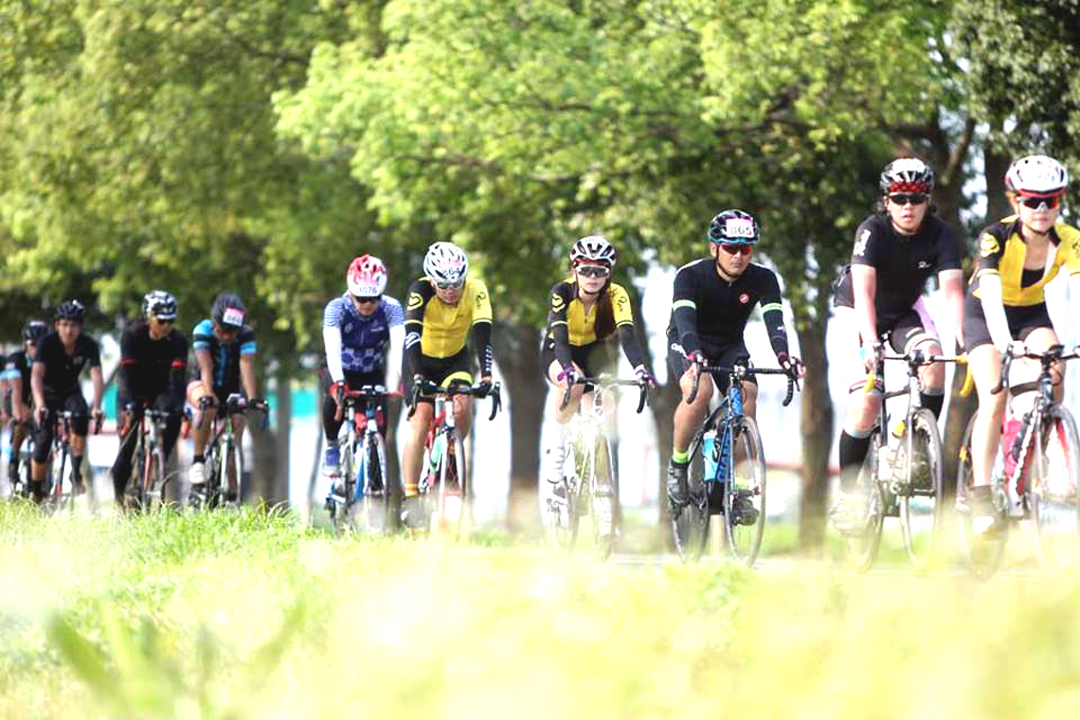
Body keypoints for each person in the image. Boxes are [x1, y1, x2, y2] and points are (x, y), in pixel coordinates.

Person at [829, 157, 965, 533]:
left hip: (905, 310)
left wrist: (965, 341)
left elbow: (953, 294)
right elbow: (864, 294)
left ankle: (917, 447)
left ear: (928, 201)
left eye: (917, 199)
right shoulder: (871, 231)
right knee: (866, 405)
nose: (908, 207)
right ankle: (847, 496)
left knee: (935, 363)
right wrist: (870, 344)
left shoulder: (941, 234)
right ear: (886, 201)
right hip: (858, 310)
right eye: (900, 198)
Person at [963, 154, 1080, 533]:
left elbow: (1078, 292)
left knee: (1055, 375)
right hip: (986, 314)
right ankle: (981, 494)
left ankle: (1039, 449)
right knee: (995, 396)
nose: (1042, 209)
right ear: (1016, 201)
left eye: (1052, 201)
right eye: (1032, 201)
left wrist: (1074, 342)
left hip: (1031, 314)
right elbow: (992, 295)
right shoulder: (994, 237)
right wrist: (1004, 344)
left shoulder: (1070, 239)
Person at [666, 210, 800, 525]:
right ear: (714, 248)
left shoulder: (763, 278)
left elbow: (775, 323)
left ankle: (739, 488)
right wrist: (694, 353)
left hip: (729, 346)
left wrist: (784, 357)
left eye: (746, 249)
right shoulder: (690, 275)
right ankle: (678, 463)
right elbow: (684, 322)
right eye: (731, 248)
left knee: (748, 393)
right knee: (700, 392)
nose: (739, 256)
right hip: (688, 342)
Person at [540, 235, 652, 495]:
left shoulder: (617, 294)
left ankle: (601, 484)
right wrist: (567, 370)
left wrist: (640, 368)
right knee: (574, 384)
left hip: (594, 352)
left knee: (605, 407)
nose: (593, 277)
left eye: (600, 271)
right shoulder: (562, 292)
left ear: (608, 273)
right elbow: (560, 336)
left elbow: (627, 335)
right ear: (575, 270)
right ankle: (557, 456)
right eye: (586, 270)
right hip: (559, 349)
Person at [400, 241, 494, 527]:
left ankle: (452, 451)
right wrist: (418, 378)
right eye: (443, 285)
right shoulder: (420, 290)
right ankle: (411, 496)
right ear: (432, 280)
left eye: (456, 284)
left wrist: (487, 375)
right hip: (419, 361)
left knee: (463, 404)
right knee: (422, 418)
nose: (451, 291)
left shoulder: (476, 289)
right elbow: (412, 335)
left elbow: (482, 334)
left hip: (455, 360)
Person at [321, 255, 404, 485]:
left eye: (374, 298)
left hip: (371, 370)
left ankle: (375, 484)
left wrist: (404, 377)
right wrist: (338, 381)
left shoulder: (391, 308)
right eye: (361, 298)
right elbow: (332, 352)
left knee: (381, 425)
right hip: (340, 367)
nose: (368, 304)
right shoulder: (336, 309)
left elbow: (399, 349)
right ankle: (331, 446)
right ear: (350, 292)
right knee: (335, 397)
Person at [111, 291, 188, 504]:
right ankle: (120, 500)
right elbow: (127, 374)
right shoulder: (132, 335)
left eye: (171, 321)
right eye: (162, 321)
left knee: (173, 412)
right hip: (131, 387)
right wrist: (133, 404)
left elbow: (179, 378)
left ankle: (160, 457)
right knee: (127, 447)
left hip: (159, 390)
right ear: (148, 317)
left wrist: (180, 405)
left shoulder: (178, 339)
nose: (167, 326)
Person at [187, 293, 265, 499]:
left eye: (233, 333)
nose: (228, 338)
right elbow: (206, 368)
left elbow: (246, 364)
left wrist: (252, 398)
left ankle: (232, 493)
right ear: (214, 324)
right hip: (202, 383)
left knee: (236, 425)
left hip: (231, 388)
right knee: (208, 406)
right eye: (223, 332)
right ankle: (197, 461)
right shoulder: (202, 330)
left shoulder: (246, 334)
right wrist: (210, 395)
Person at [30, 301, 104, 501]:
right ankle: (37, 492)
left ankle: (76, 471)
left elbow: (97, 375)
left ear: (81, 327)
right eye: (64, 325)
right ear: (57, 326)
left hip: (71, 391)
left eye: (74, 325)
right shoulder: (47, 343)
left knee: (81, 416)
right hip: (46, 394)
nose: (69, 330)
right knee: (43, 442)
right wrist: (39, 405)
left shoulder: (89, 344)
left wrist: (97, 407)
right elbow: (36, 375)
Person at [4, 321, 49, 488]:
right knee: (21, 421)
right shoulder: (16, 360)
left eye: (42, 344)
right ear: (25, 344)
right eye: (33, 345)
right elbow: (16, 390)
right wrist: (19, 414)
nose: (37, 349)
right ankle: (14, 458)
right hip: (17, 397)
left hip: (39, 401)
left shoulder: (51, 360)